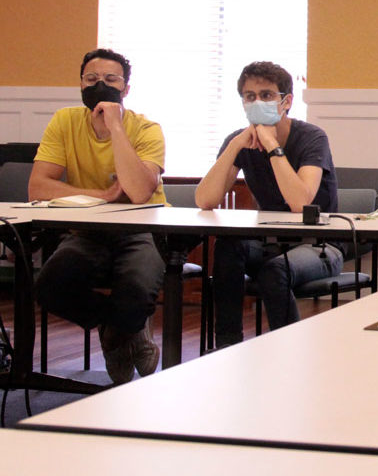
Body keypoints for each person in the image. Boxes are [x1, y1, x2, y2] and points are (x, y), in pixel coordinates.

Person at [31, 48, 165, 384]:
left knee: (137, 289)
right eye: (91, 79)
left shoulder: (147, 129)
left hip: (140, 230)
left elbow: (137, 193)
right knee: (49, 286)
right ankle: (120, 330)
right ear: (80, 84)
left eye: (110, 80)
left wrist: (116, 127)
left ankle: (124, 328)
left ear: (126, 89)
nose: (99, 86)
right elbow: (38, 188)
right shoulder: (64, 121)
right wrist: (103, 196)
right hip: (86, 232)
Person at [196, 61, 342, 348]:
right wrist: (234, 147)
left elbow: (300, 202)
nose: (257, 102)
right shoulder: (240, 141)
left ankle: (287, 351)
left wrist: (273, 146)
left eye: (265, 95)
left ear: (286, 102)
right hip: (269, 241)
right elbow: (205, 199)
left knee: (276, 270)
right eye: (249, 97)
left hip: (321, 243)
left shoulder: (312, 137)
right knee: (227, 247)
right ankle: (227, 346)